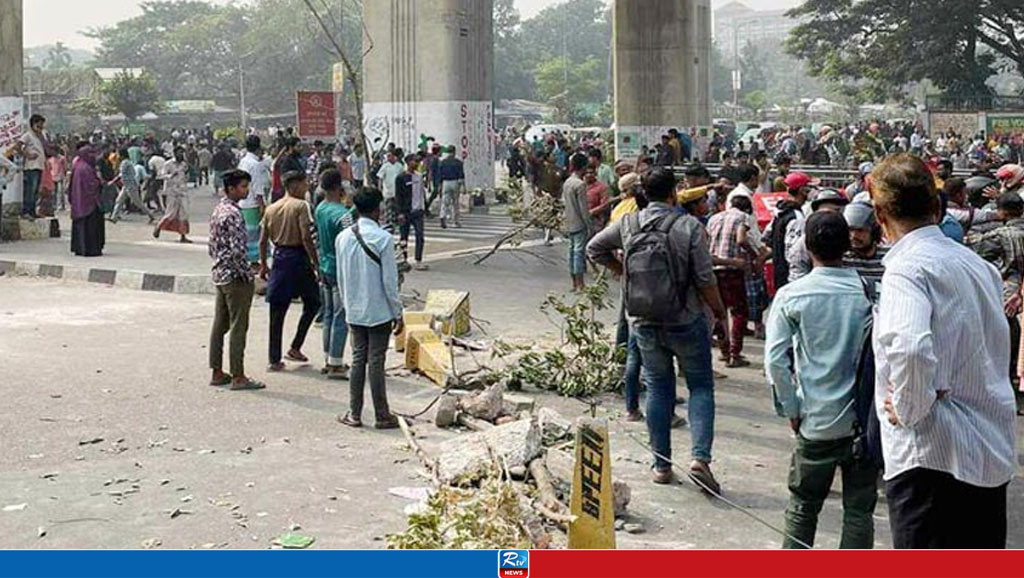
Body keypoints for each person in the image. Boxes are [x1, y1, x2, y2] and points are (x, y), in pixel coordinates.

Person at [871, 154, 1017, 549]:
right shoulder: (977, 266)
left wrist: (909, 405)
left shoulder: (907, 269)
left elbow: (910, 347)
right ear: (936, 208)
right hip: (986, 454)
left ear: (879, 215)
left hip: (931, 460)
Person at [587, 168, 727, 490]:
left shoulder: (627, 223)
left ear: (643, 194)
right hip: (687, 319)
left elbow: (594, 248)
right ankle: (699, 459)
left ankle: (661, 465)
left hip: (644, 321)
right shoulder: (689, 226)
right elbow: (705, 279)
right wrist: (719, 313)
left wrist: (623, 272)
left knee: (658, 388)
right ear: (674, 193)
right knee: (701, 387)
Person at [765, 211, 878, 550]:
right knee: (859, 511)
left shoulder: (791, 295)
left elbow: (775, 361)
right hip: (862, 425)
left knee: (803, 507)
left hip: (815, 420)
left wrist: (791, 408)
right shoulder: (870, 291)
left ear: (807, 247)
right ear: (847, 245)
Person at [335, 189, 403, 430]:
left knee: (357, 360)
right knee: (376, 361)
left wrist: (346, 303)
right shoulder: (383, 239)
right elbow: (389, 282)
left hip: (353, 308)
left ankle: (354, 413)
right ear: (377, 210)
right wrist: (398, 312)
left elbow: (340, 276)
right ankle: (381, 414)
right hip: (379, 310)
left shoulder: (342, 237)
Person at [208, 169, 265, 391]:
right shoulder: (233, 214)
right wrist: (248, 273)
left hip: (220, 273)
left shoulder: (218, 210)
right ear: (231, 188)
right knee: (238, 326)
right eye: (242, 186)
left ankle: (216, 370)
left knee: (219, 324)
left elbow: (212, 246)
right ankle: (238, 375)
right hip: (235, 276)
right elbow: (238, 250)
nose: (246, 190)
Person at [259, 171, 321, 372]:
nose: (307, 189)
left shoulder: (271, 208)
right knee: (313, 302)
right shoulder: (301, 206)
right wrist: (316, 263)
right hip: (298, 257)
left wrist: (263, 264)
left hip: (279, 258)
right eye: (304, 185)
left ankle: (274, 358)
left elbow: (262, 240)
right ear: (295, 185)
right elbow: (306, 237)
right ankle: (295, 345)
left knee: (277, 311)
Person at [970, 192, 1024, 385]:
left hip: (1009, 289)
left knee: (1004, 329)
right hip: (1019, 288)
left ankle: (1007, 372)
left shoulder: (1000, 235)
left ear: (1003, 212)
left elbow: (978, 252)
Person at [315, 169, 356, 380]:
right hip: (339, 267)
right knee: (341, 316)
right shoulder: (343, 215)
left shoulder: (320, 208)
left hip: (325, 265)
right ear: (339, 187)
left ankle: (328, 357)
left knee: (329, 314)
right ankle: (336, 362)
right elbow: (351, 240)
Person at [707, 195, 755, 368]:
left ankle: (724, 352)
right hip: (733, 269)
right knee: (739, 311)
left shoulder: (714, 218)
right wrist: (752, 254)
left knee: (719, 312)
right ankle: (735, 353)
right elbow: (742, 239)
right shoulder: (742, 217)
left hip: (714, 268)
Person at [763, 172, 817, 292]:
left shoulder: (780, 211)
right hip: (791, 278)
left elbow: (766, 236)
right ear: (803, 190)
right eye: (810, 188)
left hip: (780, 273)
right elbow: (793, 253)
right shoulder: (796, 217)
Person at [842, 202, 888, 302]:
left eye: (860, 231)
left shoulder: (888, 257)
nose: (853, 236)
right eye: (850, 230)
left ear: (874, 232)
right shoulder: (842, 259)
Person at [237, 136, 271, 265]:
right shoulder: (255, 165)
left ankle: (249, 259)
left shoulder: (243, 161)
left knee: (247, 232)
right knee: (256, 233)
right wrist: (262, 205)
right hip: (253, 203)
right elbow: (257, 187)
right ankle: (255, 261)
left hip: (244, 202)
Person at [69, 144, 105, 257]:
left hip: (78, 203)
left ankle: (80, 248)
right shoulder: (87, 168)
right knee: (91, 227)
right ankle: (91, 249)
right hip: (89, 204)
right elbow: (92, 185)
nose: (93, 157)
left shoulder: (77, 166)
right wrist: (99, 182)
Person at [562, 153, 591, 291]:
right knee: (579, 253)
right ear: (584, 166)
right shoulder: (580, 185)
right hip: (579, 223)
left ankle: (574, 283)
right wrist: (589, 225)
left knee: (571, 252)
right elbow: (584, 209)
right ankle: (581, 283)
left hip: (569, 222)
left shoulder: (567, 182)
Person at [395, 154, 428, 271]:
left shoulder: (419, 176)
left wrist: (425, 207)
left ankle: (418, 260)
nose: (416, 163)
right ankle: (403, 260)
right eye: (414, 161)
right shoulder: (401, 178)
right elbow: (398, 196)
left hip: (418, 211)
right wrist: (400, 212)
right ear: (408, 162)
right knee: (404, 237)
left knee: (420, 235)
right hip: (406, 211)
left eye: (417, 161)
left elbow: (421, 193)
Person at [152, 148, 192, 243]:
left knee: (184, 213)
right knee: (171, 213)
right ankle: (158, 227)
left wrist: (187, 175)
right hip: (171, 192)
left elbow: (186, 177)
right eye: (179, 153)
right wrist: (170, 176)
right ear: (175, 154)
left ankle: (183, 235)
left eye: (182, 153)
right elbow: (160, 176)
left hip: (182, 191)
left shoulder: (184, 164)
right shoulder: (168, 164)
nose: (181, 155)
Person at [111, 148, 157, 224]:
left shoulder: (125, 163)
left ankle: (151, 215)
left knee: (138, 203)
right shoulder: (127, 162)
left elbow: (121, 174)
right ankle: (114, 218)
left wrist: (113, 181)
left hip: (130, 185)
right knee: (119, 200)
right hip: (127, 185)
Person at [19, 114, 47, 219]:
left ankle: (32, 211)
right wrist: (27, 155)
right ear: (33, 124)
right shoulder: (27, 135)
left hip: (39, 166)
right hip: (31, 167)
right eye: (39, 125)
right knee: (30, 190)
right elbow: (18, 146)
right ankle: (26, 211)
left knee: (35, 192)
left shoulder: (40, 136)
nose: (41, 128)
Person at [438, 146, 465, 229]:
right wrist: (464, 187)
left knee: (445, 202)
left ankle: (442, 215)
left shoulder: (443, 162)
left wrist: (440, 185)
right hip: (455, 182)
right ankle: (455, 222)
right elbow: (461, 175)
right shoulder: (458, 162)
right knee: (455, 203)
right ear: (454, 151)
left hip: (445, 182)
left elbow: (440, 175)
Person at [376, 150, 404, 225]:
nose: (388, 158)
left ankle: (396, 222)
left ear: (394, 157)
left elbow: (402, 177)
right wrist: (379, 188)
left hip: (397, 190)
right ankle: (388, 222)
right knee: (388, 207)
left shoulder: (399, 166)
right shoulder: (385, 166)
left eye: (390, 156)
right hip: (387, 191)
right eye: (387, 156)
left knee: (397, 207)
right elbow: (380, 178)